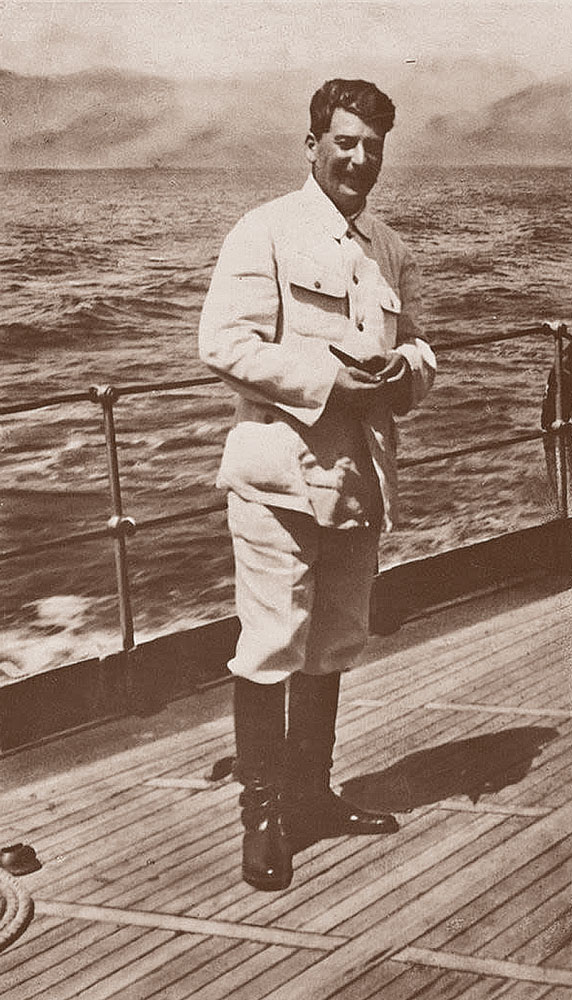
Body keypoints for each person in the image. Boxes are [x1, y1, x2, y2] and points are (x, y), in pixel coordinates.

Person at [199, 78, 436, 891]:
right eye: (345, 142)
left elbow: (421, 345)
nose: (359, 159)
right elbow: (223, 342)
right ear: (313, 146)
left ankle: (311, 795)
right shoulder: (264, 231)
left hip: (358, 478)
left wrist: (405, 370)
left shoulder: (387, 249)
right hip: (278, 479)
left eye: (372, 146)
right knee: (271, 644)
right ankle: (263, 815)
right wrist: (327, 382)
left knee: (334, 639)